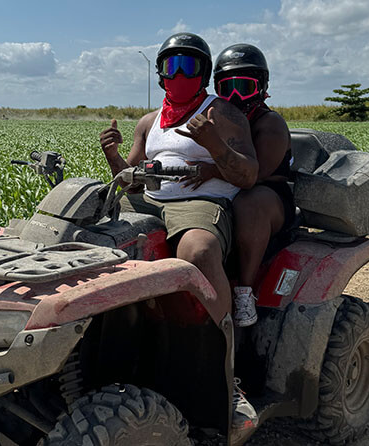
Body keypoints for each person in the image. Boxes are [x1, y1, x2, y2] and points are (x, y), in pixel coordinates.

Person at [99, 32, 260, 442]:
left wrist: (213, 143)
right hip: (149, 201)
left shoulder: (223, 113)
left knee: (199, 251)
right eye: (172, 66)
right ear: (160, 73)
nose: (180, 74)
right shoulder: (149, 122)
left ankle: (227, 374)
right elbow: (131, 179)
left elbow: (248, 175)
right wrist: (113, 156)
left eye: (190, 65)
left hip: (201, 202)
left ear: (204, 73)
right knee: (98, 241)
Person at [183, 44, 294, 328]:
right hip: (227, 189)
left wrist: (211, 170)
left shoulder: (270, 123)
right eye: (227, 88)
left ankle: (244, 291)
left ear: (262, 86)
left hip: (267, 196)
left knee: (249, 201)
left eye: (244, 87)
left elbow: (257, 174)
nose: (235, 96)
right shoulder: (219, 118)